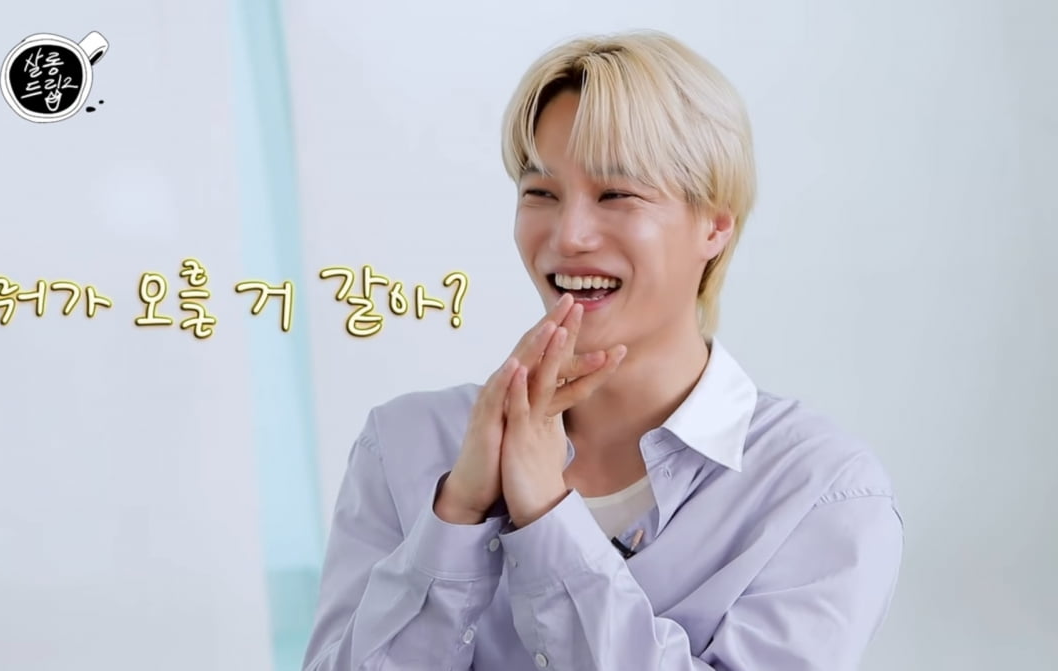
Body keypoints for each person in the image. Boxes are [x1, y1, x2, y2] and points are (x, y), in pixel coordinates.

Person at [301, 29, 903, 671]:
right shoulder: (403, 446)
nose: (569, 236)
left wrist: (545, 515)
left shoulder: (821, 492)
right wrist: (456, 515)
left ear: (716, 224)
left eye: (617, 195)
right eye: (540, 193)